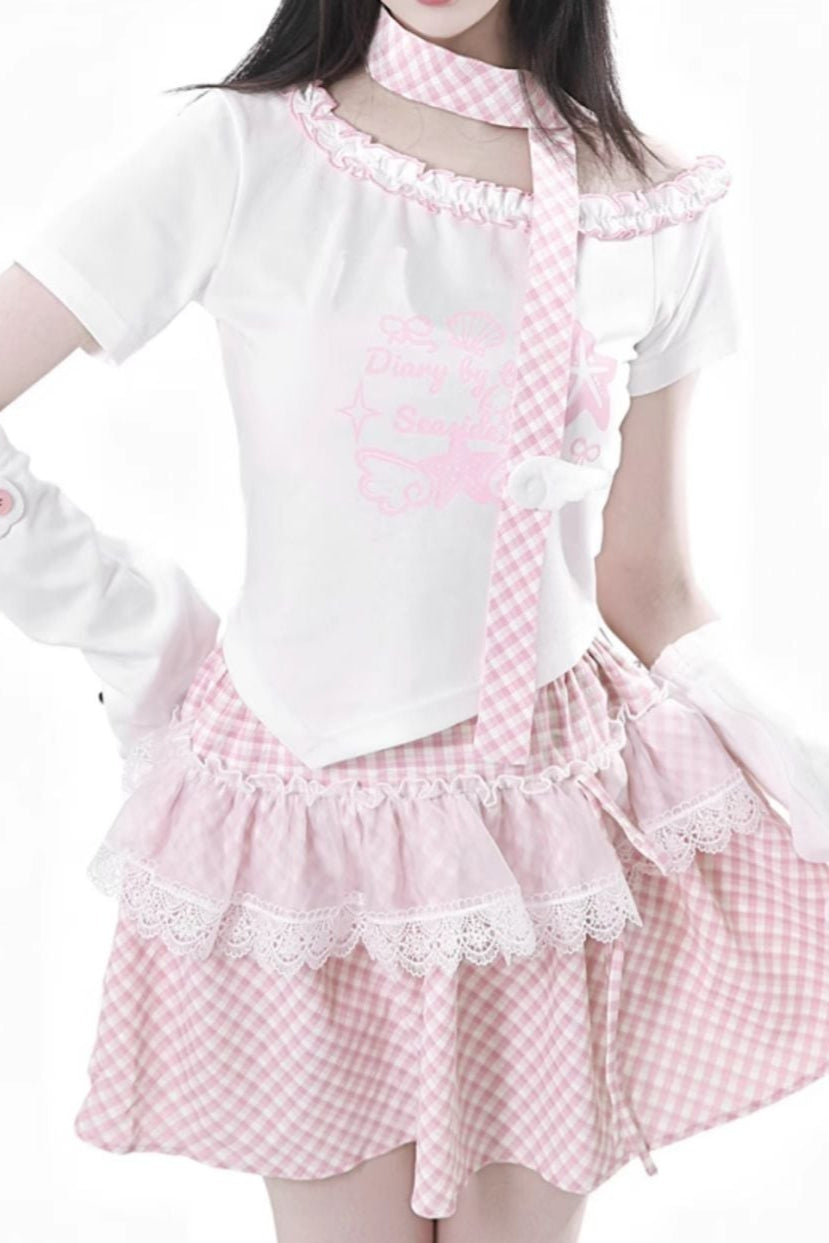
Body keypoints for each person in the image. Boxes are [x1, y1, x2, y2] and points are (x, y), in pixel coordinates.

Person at [4, 1, 829, 1241]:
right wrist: (121, 619)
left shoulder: (651, 206)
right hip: (306, 824)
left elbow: (645, 579)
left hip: (540, 820)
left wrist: (784, 749)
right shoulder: (246, 149)